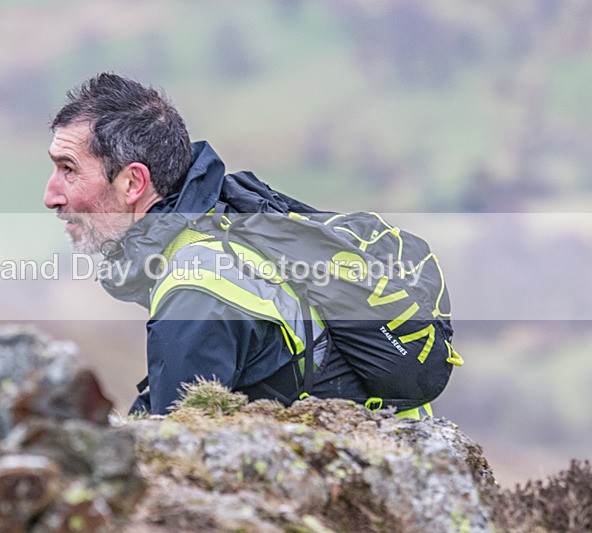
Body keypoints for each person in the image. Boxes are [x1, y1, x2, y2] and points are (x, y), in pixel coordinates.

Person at [44, 73, 443, 417]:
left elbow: (178, 457)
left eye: (68, 169)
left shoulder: (196, 293)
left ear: (133, 183)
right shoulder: (223, 221)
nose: (51, 195)